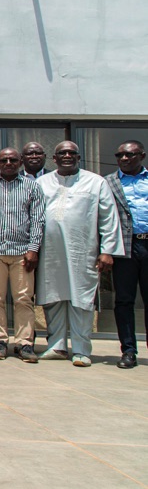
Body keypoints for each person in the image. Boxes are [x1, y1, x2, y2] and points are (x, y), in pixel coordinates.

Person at [37, 141, 123, 367]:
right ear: (54, 159)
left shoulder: (96, 182)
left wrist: (107, 250)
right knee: (53, 298)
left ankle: (81, 350)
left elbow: (108, 217)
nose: (67, 156)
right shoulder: (41, 182)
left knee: (81, 300)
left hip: (82, 251)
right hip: (50, 252)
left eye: (71, 153)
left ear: (78, 157)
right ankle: (56, 345)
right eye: (62, 153)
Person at [0, 148, 45, 363]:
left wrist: (33, 249)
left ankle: (25, 343)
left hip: (22, 253)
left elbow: (38, 220)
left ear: (20, 162)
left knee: (23, 299)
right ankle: (0, 341)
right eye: (4, 160)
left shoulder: (32, 187)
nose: (8, 163)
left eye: (13, 160)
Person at [106, 140, 148, 369]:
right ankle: (129, 350)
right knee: (124, 301)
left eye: (129, 155)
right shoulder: (108, 182)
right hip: (124, 248)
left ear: (141, 155)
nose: (124, 159)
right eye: (119, 155)